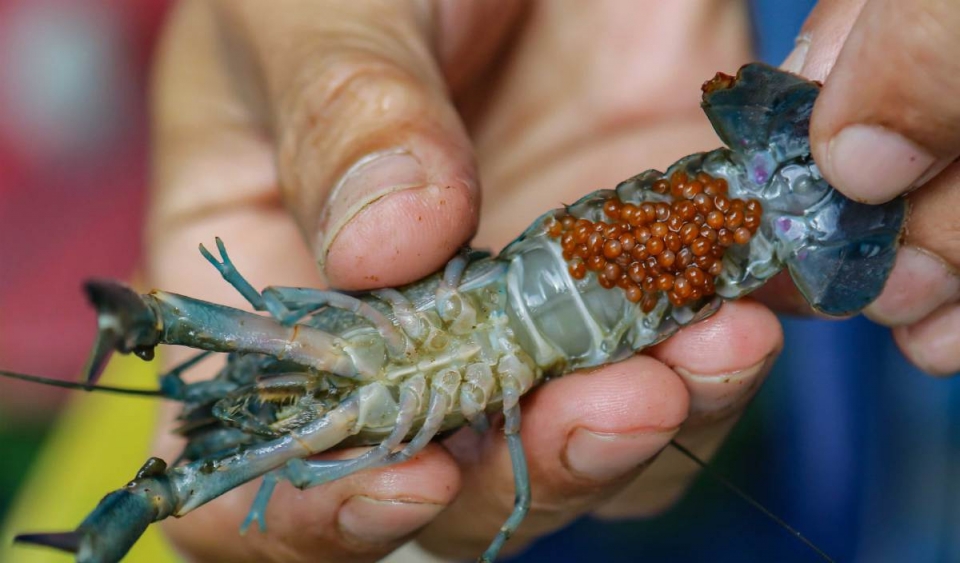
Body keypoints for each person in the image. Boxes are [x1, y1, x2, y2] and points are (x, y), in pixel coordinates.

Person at [147, 1, 960, 561]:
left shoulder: (331, 346)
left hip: (576, 278)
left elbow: (287, 318)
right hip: (580, 305)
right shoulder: (358, 395)